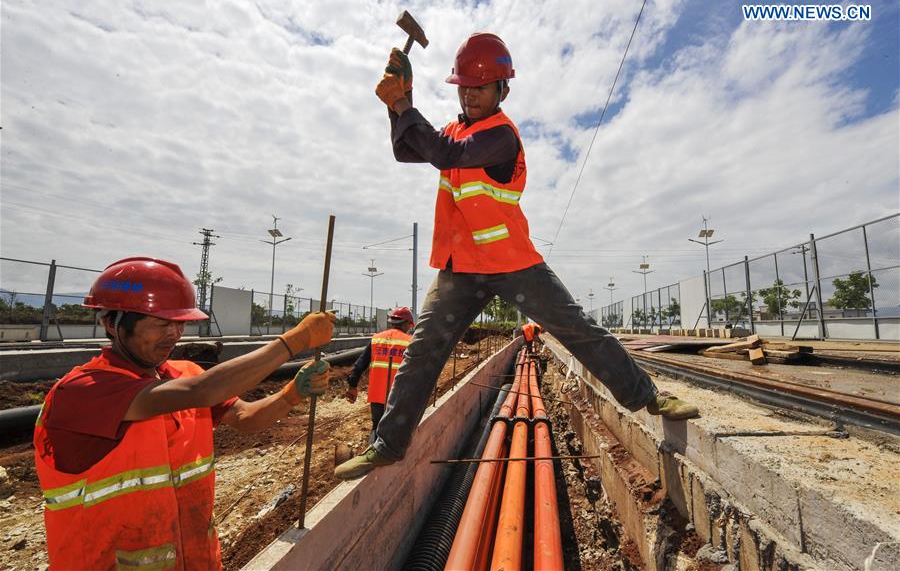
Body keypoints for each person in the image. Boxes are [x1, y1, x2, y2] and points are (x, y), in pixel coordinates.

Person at [335, 33, 699, 481]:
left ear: (502, 90)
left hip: (511, 262)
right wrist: (398, 102)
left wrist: (405, 107)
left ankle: (649, 396)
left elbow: (444, 153)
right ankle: (387, 445)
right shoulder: (454, 130)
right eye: (464, 86)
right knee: (422, 350)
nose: (469, 95)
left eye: (480, 87)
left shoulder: (501, 136)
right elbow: (407, 149)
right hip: (460, 267)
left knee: (577, 328)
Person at [33, 257, 336, 570]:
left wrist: (292, 394)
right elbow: (201, 392)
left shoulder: (183, 374)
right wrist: (294, 341)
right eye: (162, 323)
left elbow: (246, 418)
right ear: (112, 323)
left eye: (180, 323)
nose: (174, 334)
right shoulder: (85, 390)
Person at [345, 307, 415, 440]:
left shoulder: (376, 339)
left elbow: (359, 365)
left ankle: (373, 455)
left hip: (377, 395)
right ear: (406, 323)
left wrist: (352, 386)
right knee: (397, 430)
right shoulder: (410, 342)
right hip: (399, 396)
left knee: (376, 427)